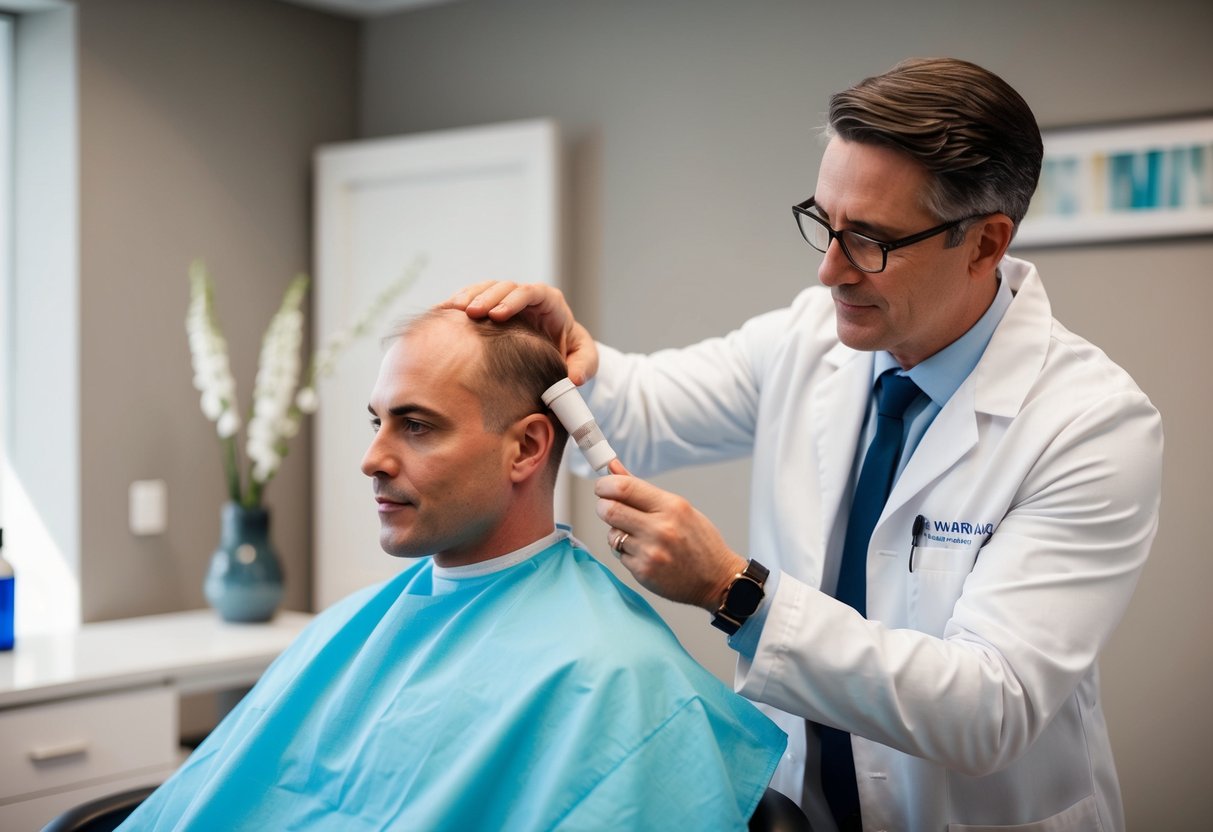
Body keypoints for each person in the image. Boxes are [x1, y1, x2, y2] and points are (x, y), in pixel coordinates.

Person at [450, 58, 1164, 832]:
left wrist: (734, 591)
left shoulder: (1090, 424)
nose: (828, 271)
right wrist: (565, 352)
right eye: (823, 223)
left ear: (985, 242)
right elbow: (645, 410)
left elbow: (989, 709)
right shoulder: (805, 340)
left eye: (869, 241)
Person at [118, 309, 786, 831]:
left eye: (415, 427)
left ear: (525, 447)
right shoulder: (351, 625)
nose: (371, 459)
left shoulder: (614, 675)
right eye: (377, 421)